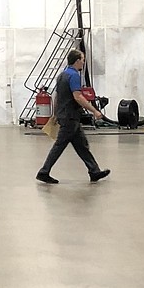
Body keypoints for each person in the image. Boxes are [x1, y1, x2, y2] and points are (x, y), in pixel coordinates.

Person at [35, 47, 111, 186]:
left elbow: (57, 96)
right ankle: (44, 172)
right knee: (59, 145)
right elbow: (78, 97)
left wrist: (55, 113)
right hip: (70, 117)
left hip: (67, 116)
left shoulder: (62, 75)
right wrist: (94, 111)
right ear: (77, 61)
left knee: (82, 145)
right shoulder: (74, 75)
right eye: (82, 60)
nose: (83, 62)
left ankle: (94, 171)